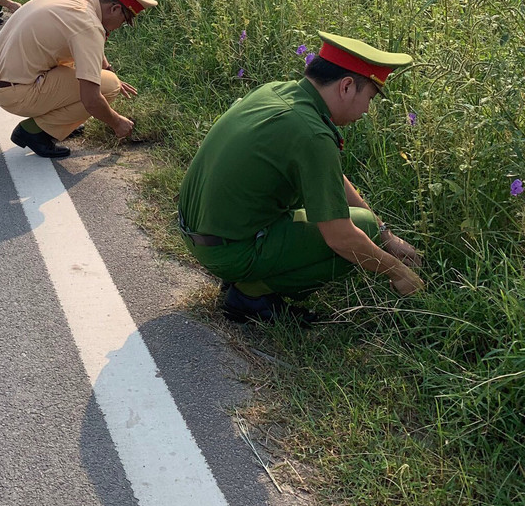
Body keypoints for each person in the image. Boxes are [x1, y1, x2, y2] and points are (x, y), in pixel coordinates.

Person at [177, 33, 425, 323]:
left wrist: (387, 235)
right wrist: (399, 272)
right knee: (362, 228)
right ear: (346, 86)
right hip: (228, 252)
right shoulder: (313, 134)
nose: (367, 110)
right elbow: (341, 238)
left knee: (368, 226)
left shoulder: (277, 92)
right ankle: (250, 294)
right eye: (369, 98)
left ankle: (247, 272)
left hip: (199, 233)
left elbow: (330, 176)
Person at [0, 0, 156, 158]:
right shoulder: (88, 26)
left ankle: (60, 124)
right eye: (125, 20)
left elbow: (85, 39)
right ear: (115, 9)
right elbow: (91, 100)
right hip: (14, 94)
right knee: (110, 86)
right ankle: (35, 131)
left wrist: (107, 69)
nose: (121, 26)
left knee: (97, 75)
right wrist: (117, 123)